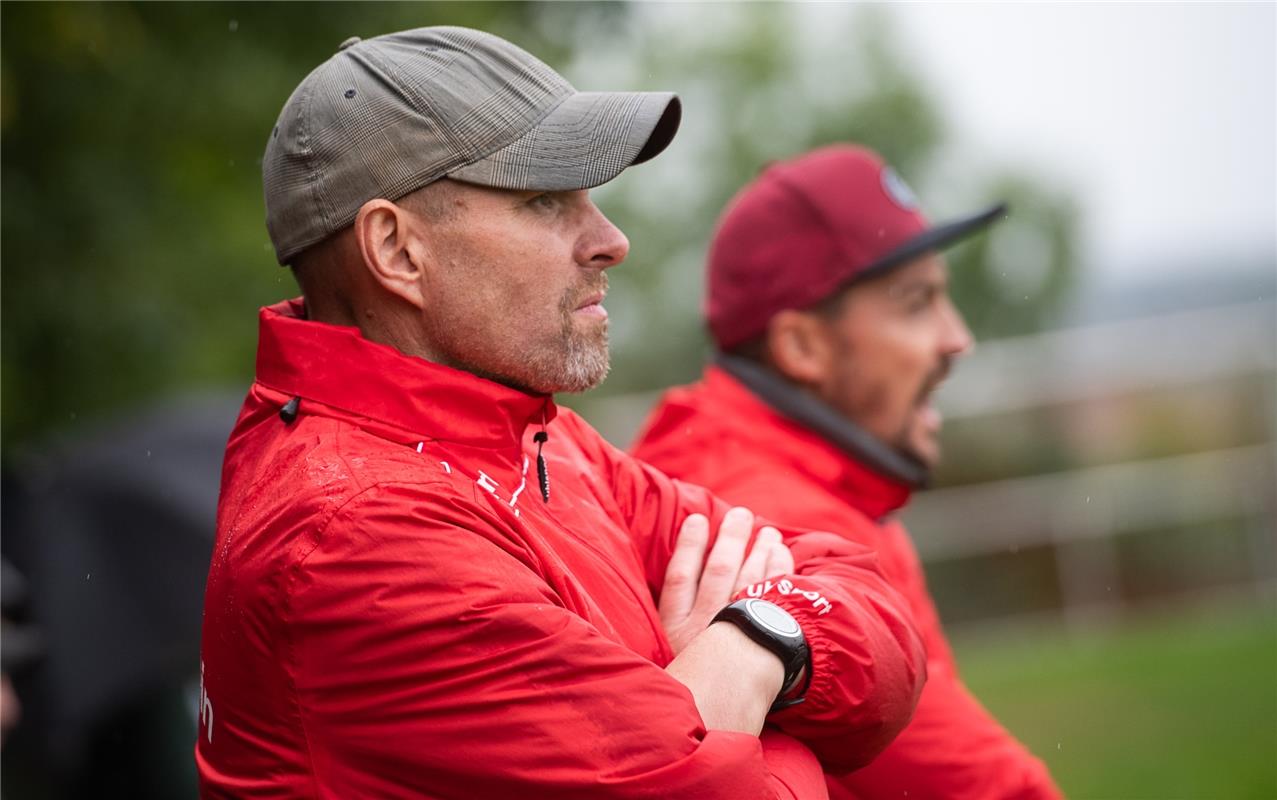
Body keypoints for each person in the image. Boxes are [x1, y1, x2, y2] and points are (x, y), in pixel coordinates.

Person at [197, 29, 927, 799]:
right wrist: (744, 707)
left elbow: (866, 606)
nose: (611, 240)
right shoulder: (358, 535)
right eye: (544, 200)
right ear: (398, 251)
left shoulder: (533, 439)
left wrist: (745, 646)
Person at [632, 145, 1063, 799]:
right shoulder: (773, 519)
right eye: (916, 303)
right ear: (802, 346)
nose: (956, 338)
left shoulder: (795, 477)